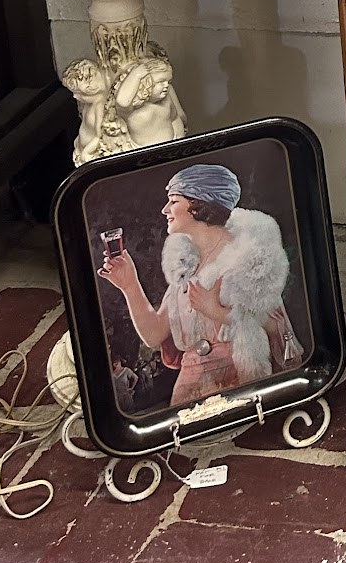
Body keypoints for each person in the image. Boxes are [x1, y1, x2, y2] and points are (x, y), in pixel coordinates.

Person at [97, 163, 302, 408]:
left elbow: (277, 327)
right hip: (189, 392)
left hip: (238, 383)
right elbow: (153, 335)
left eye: (174, 201)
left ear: (198, 204)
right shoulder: (185, 266)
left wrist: (217, 312)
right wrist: (129, 284)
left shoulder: (248, 257)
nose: (165, 209)